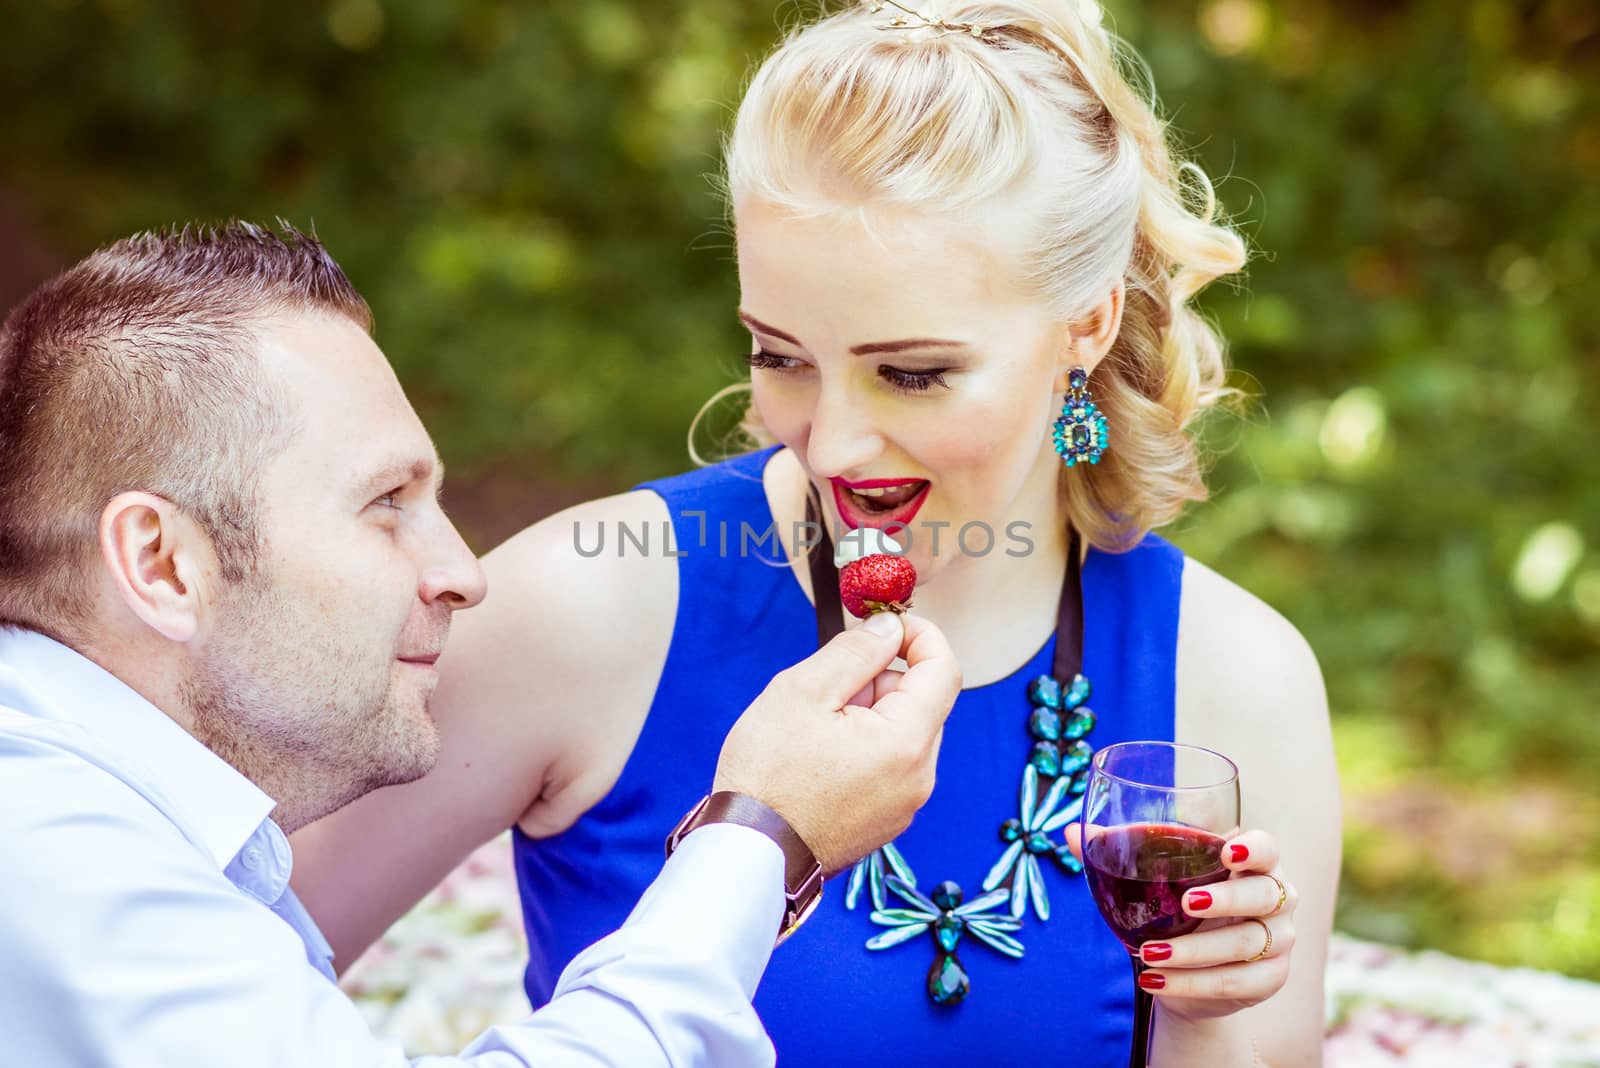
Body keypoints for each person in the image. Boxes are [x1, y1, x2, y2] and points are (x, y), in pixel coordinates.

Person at [292, 1, 1342, 1064]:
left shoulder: (1236, 680)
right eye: (782, 355)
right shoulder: (580, 608)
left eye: (911, 373)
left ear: (1087, 324)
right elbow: (205, 978)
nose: (831, 446)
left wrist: (1208, 1014)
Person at [0, 222, 962, 1067]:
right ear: (165, 564)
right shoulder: (53, 864)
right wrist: (762, 833)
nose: (467, 571)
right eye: (387, 506)